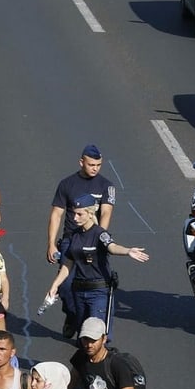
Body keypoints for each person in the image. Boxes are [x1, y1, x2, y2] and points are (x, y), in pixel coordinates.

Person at [44, 194, 148, 339]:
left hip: (98, 291)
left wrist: (128, 251)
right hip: (79, 290)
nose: (75, 218)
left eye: (79, 214)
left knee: (96, 332)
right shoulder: (74, 236)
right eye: (74, 213)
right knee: (83, 333)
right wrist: (55, 285)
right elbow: (68, 264)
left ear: (90, 213)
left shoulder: (99, 234)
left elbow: (112, 247)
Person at [46, 145, 116, 339]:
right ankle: (73, 316)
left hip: (94, 242)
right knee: (66, 286)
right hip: (70, 242)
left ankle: (91, 331)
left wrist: (100, 237)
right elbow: (56, 214)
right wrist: (51, 243)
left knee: (95, 285)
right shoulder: (67, 184)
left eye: (99, 165)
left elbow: (107, 211)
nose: (95, 168)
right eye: (91, 164)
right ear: (81, 162)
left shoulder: (106, 185)